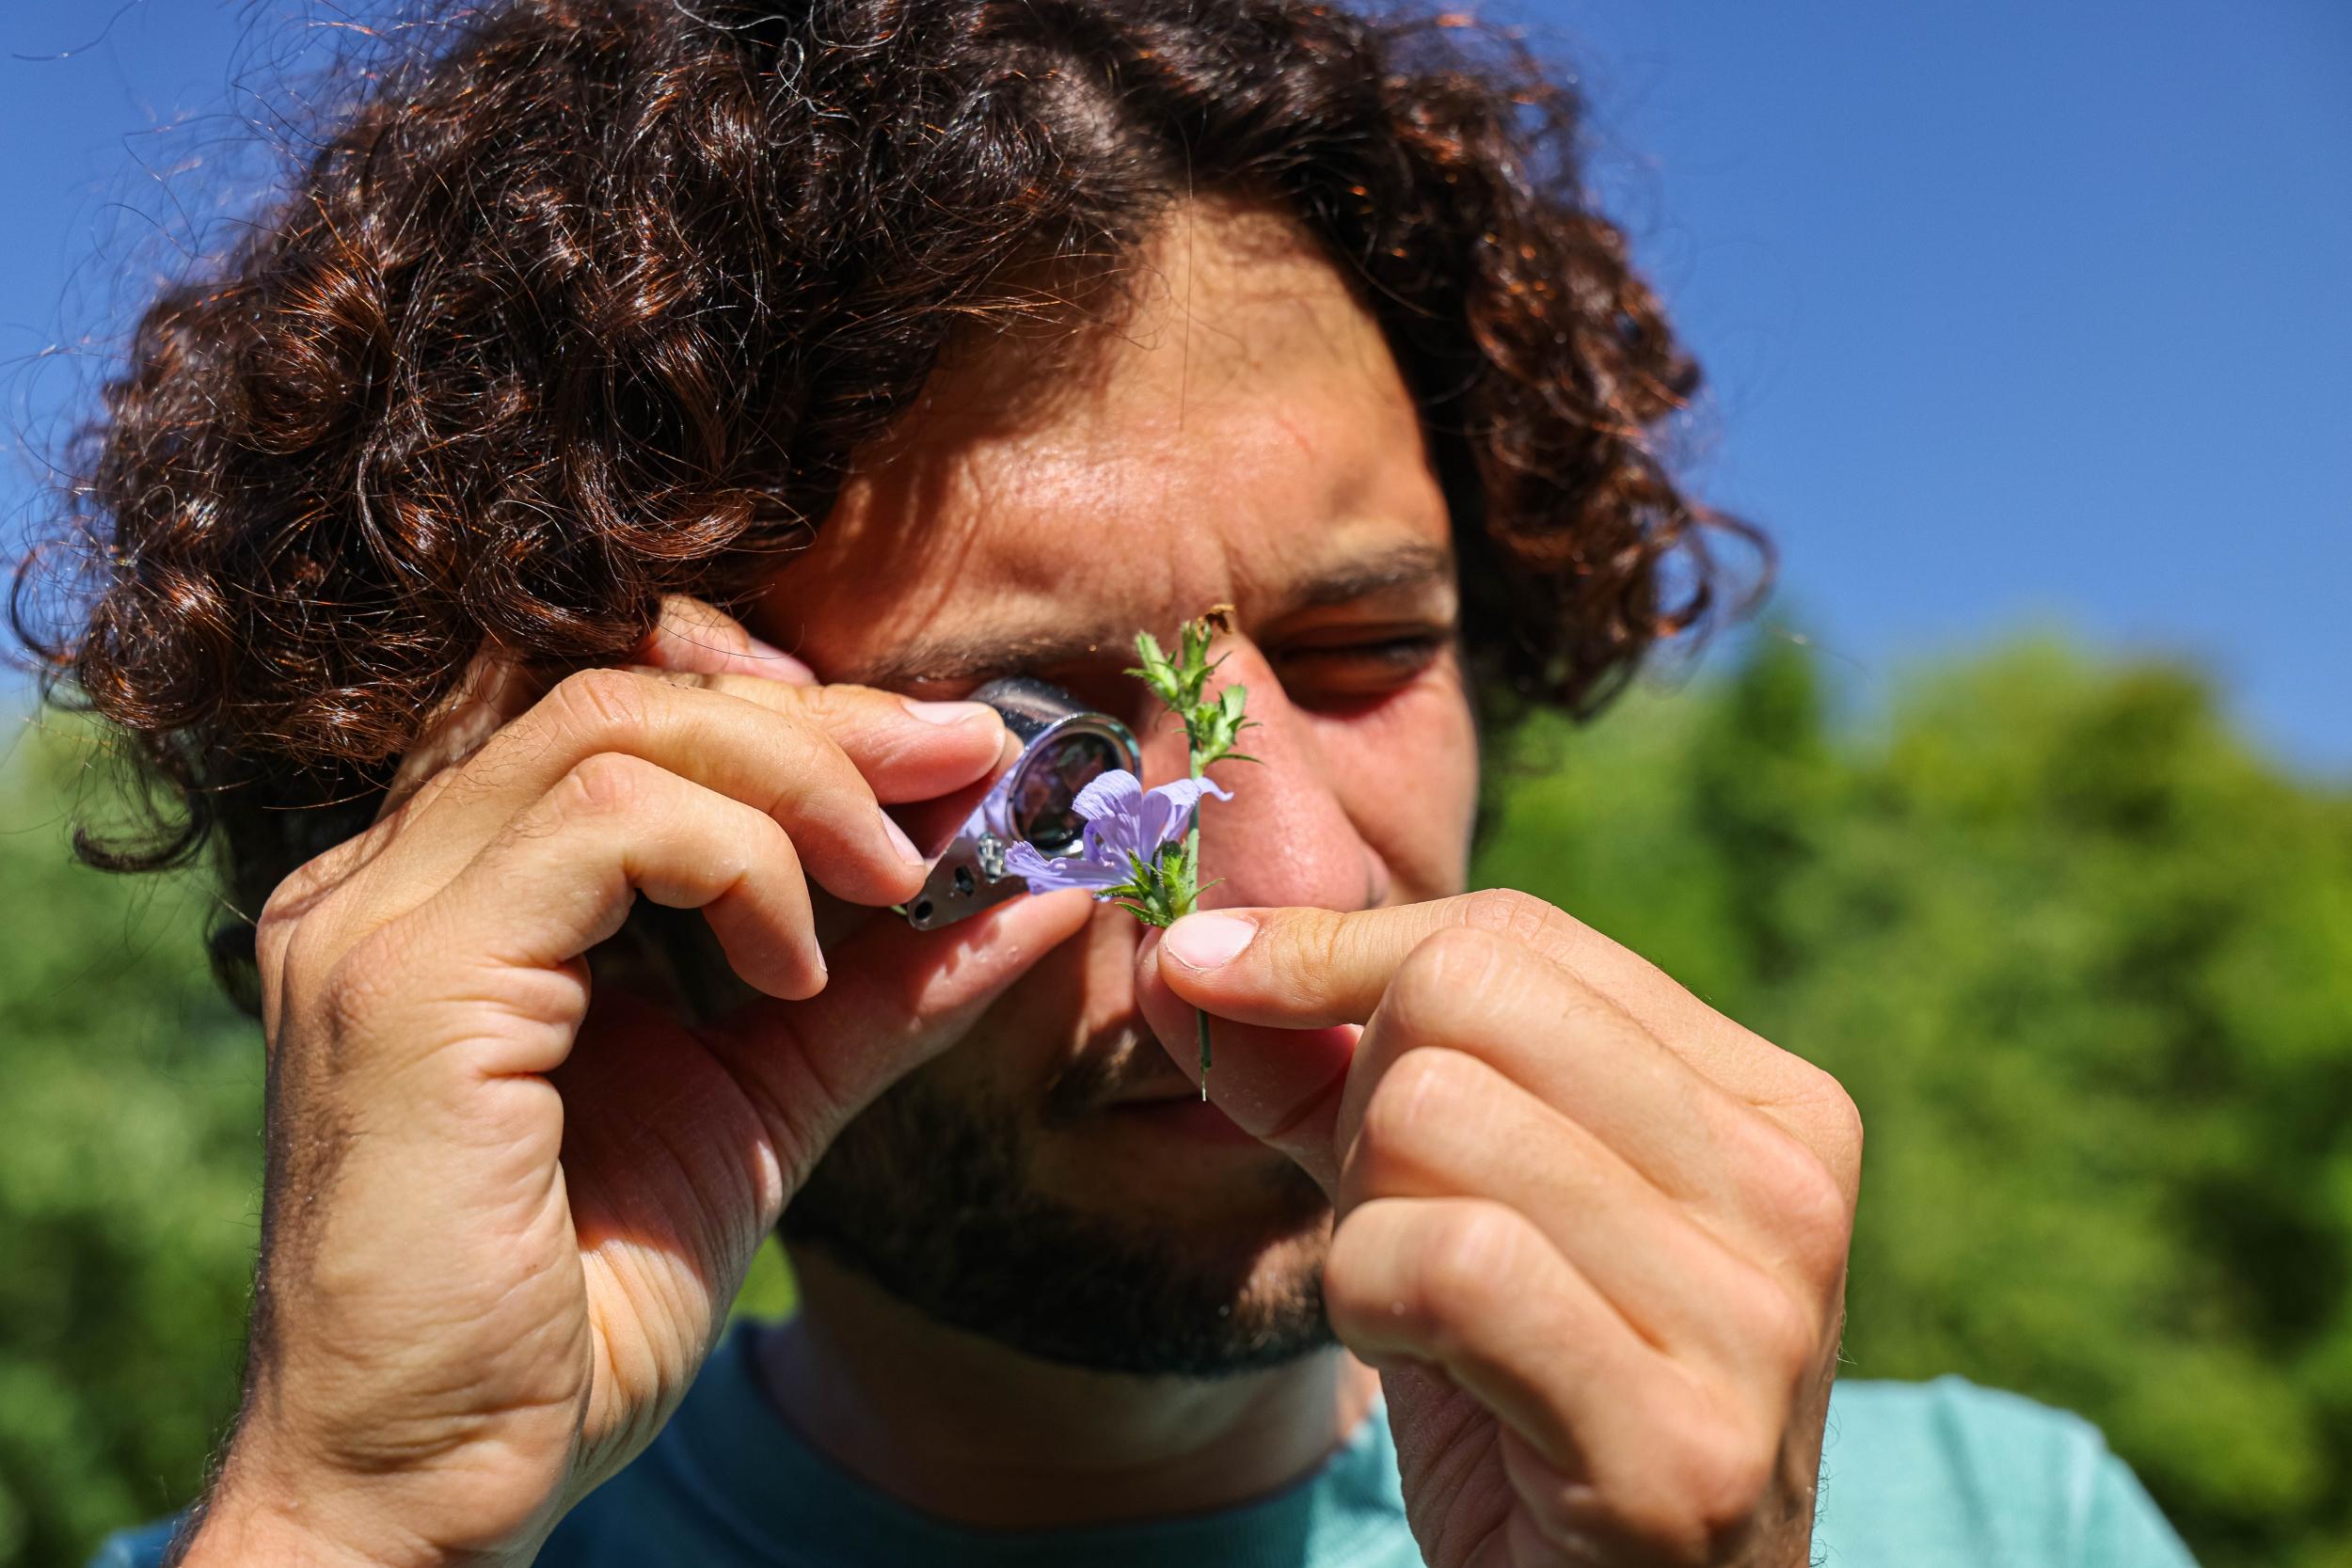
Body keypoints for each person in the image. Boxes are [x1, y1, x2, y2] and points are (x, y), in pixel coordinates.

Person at [16, 2, 2197, 1564]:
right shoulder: (310, 1535)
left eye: (1362, 659)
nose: (1260, 883)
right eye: (1035, 732)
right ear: (585, 799)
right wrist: (361, 1524)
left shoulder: (1992, 1525)